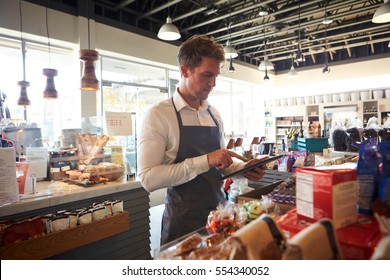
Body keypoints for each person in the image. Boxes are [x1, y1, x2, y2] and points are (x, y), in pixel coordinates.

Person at [138, 35, 266, 245]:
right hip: (183, 221)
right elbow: (148, 179)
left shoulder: (213, 113)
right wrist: (205, 160)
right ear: (184, 70)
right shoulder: (159, 115)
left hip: (220, 216)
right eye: (207, 75)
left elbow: (221, 164)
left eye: (216, 76)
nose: (213, 83)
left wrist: (243, 168)